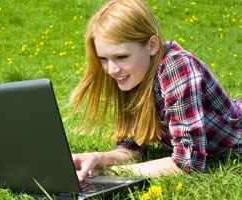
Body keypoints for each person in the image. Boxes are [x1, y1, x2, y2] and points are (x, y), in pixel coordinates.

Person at [68, 0, 242, 182]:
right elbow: (132, 147)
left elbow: (187, 164)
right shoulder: (133, 73)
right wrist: (99, 159)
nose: (111, 69)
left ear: (152, 45)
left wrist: (110, 174)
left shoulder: (177, 68)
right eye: (103, 58)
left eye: (121, 57)